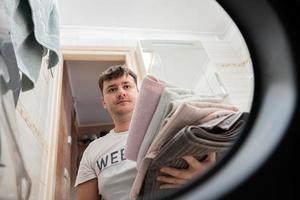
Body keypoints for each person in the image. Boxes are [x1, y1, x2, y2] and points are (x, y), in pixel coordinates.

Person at [75, 65, 216, 200]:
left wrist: (206, 176)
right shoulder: (92, 150)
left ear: (139, 93)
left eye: (126, 86)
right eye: (112, 89)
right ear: (103, 102)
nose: (121, 92)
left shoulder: (167, 126)